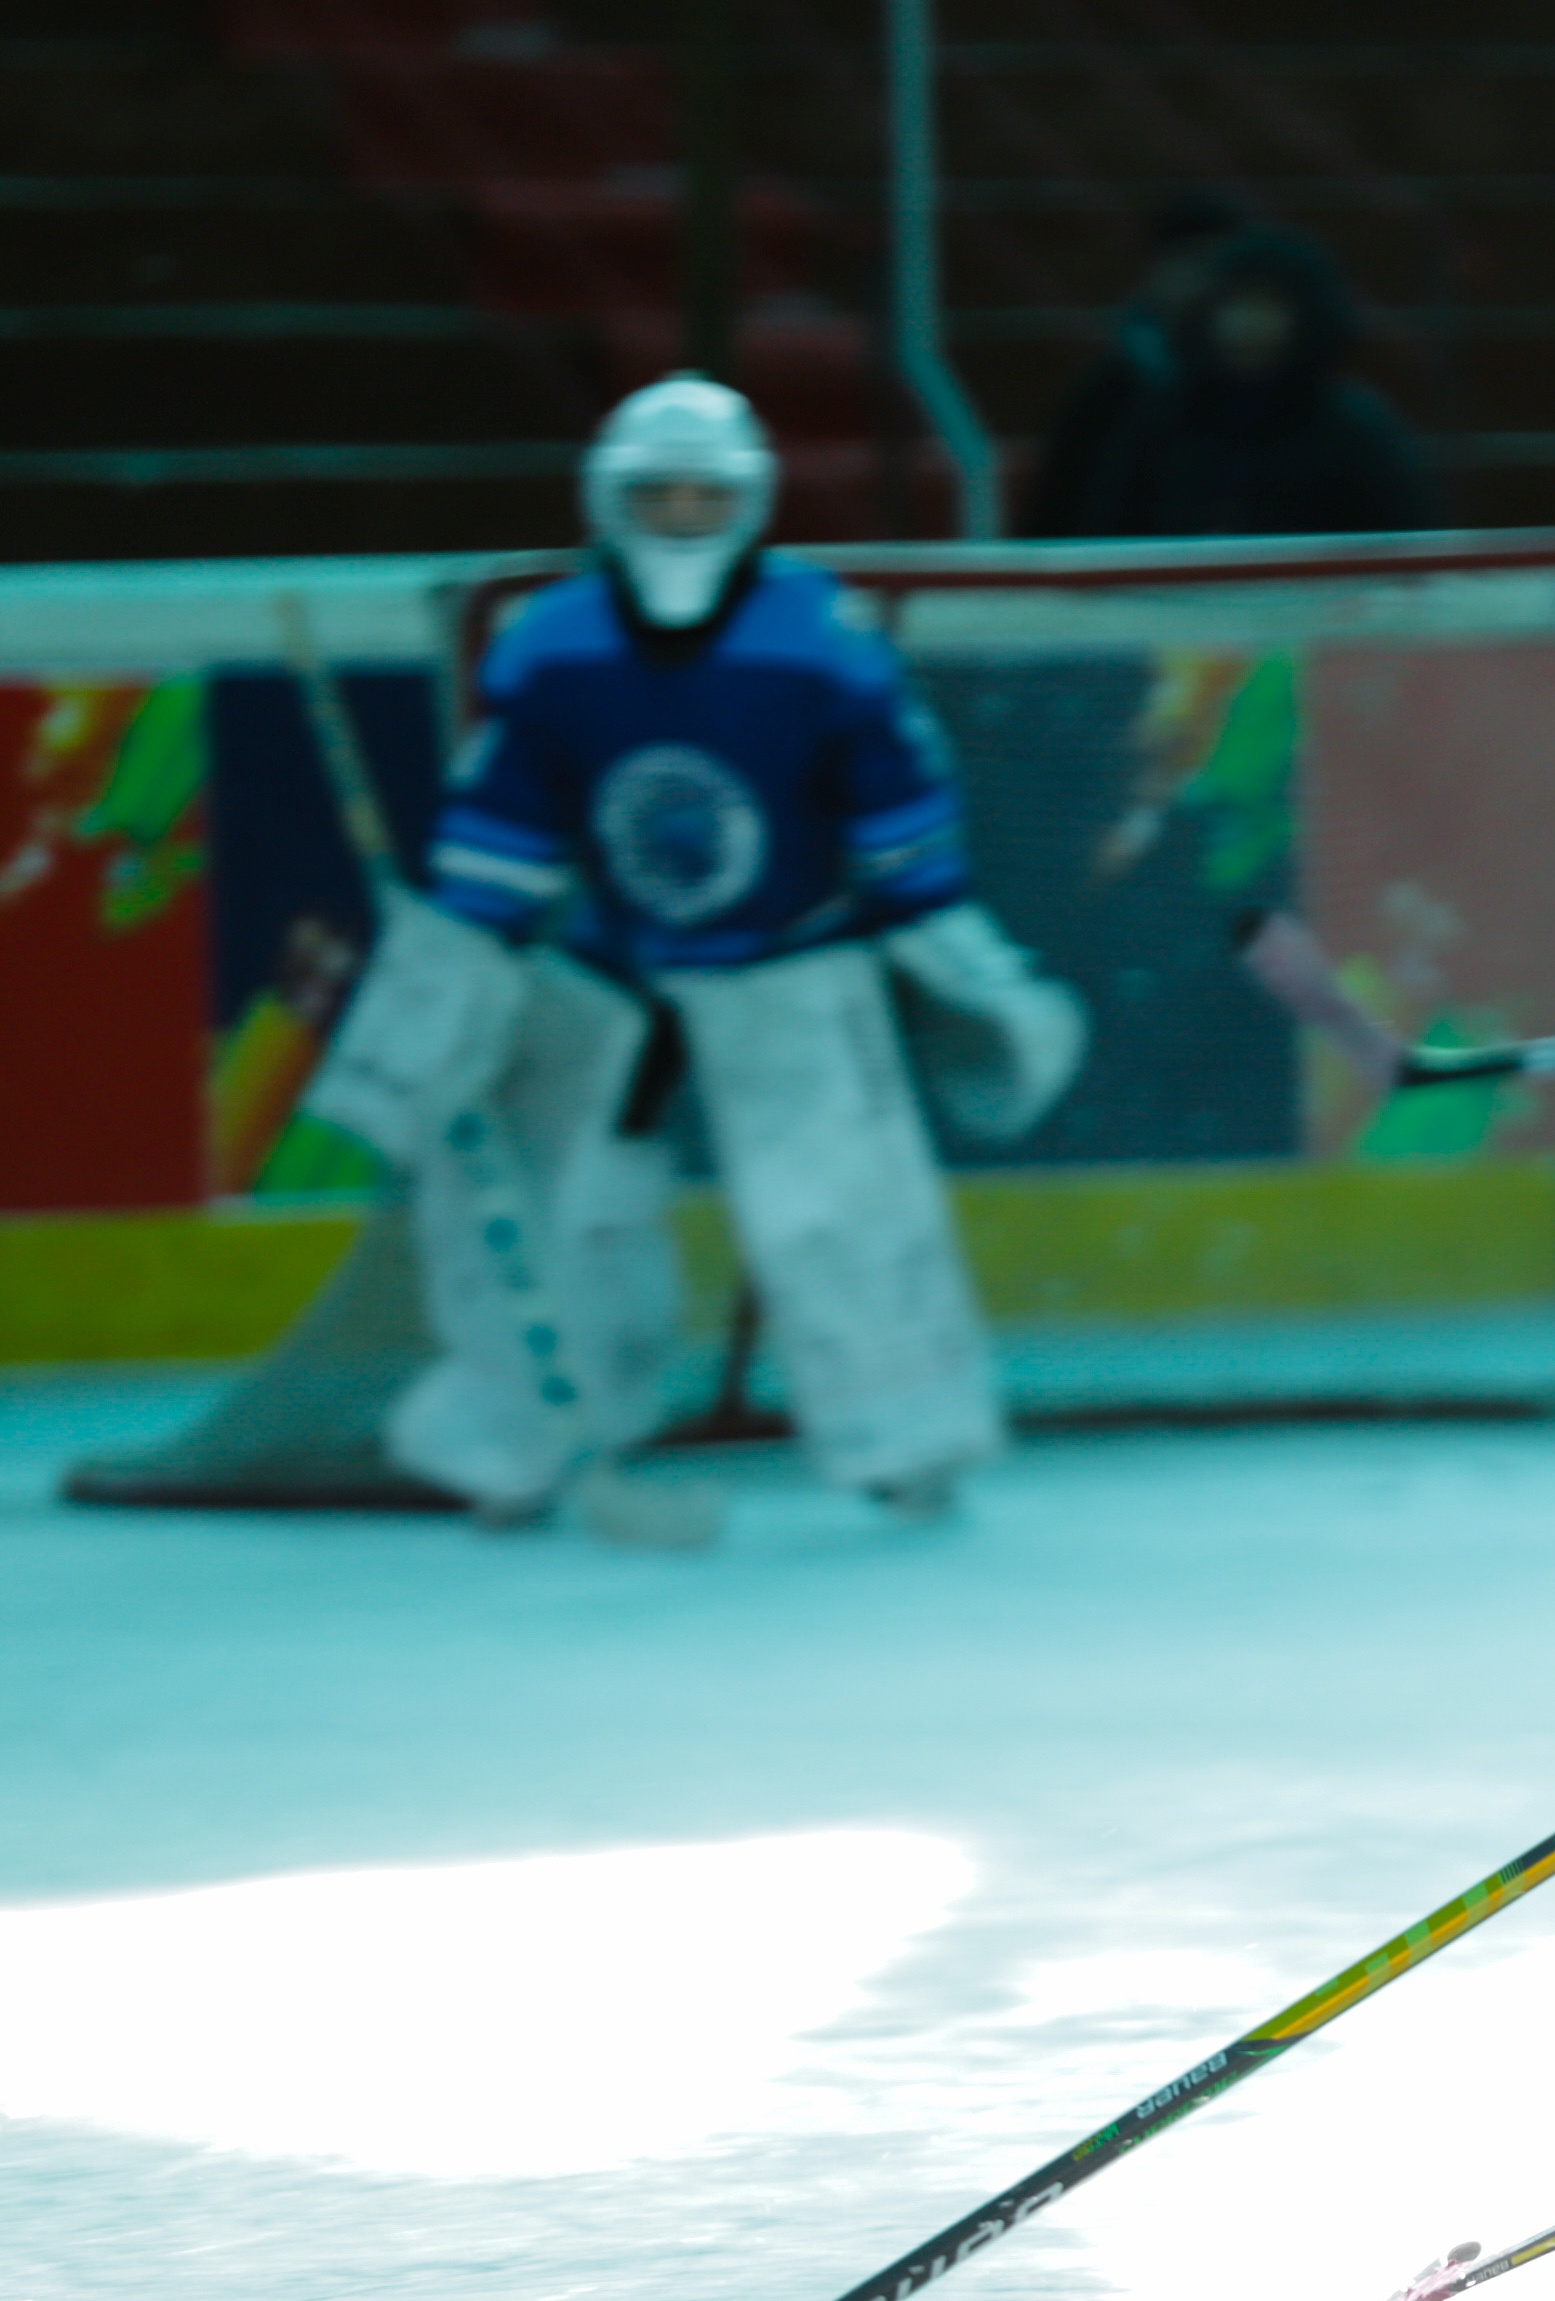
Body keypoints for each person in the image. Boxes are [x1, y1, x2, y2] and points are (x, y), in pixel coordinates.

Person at [301, 374, 1084, 1533]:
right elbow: (506, 824)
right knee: (564, 1205)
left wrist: (936, 932)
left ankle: (906, 1433)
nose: (678, 518)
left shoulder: (817, 637)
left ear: (750, 503)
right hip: (619, 975)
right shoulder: (555, 646)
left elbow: (897, 800)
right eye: (654, 495)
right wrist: (467, 947)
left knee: (844, 1212)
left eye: (700, 496)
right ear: (608, 504)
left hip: (792, 962)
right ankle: (522, 1440)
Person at [1023, 224, 1438, 541]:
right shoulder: (1165, 417)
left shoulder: (1354, 429)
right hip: (1181, 639)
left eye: (1267, 305)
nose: (1245, 324)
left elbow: (1405, 552)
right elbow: (1109, 537)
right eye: (1233, 304)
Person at [1019, 185, 1255, 541]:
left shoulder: (1261, 385)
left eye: (1223, 264)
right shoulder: (1107, 392)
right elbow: (1058, 517)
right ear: (1155, 270)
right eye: (1191, 259)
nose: (1207, 282)